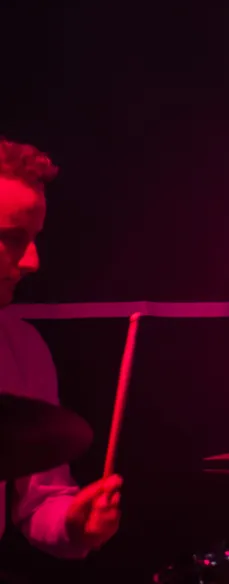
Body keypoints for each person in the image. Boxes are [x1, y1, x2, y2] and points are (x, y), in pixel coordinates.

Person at [0, 137, 122, 563]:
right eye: (11, 238)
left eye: (34, 238)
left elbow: (39, 501)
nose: (32, 261)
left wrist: (74, 523)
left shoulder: (22, 348)